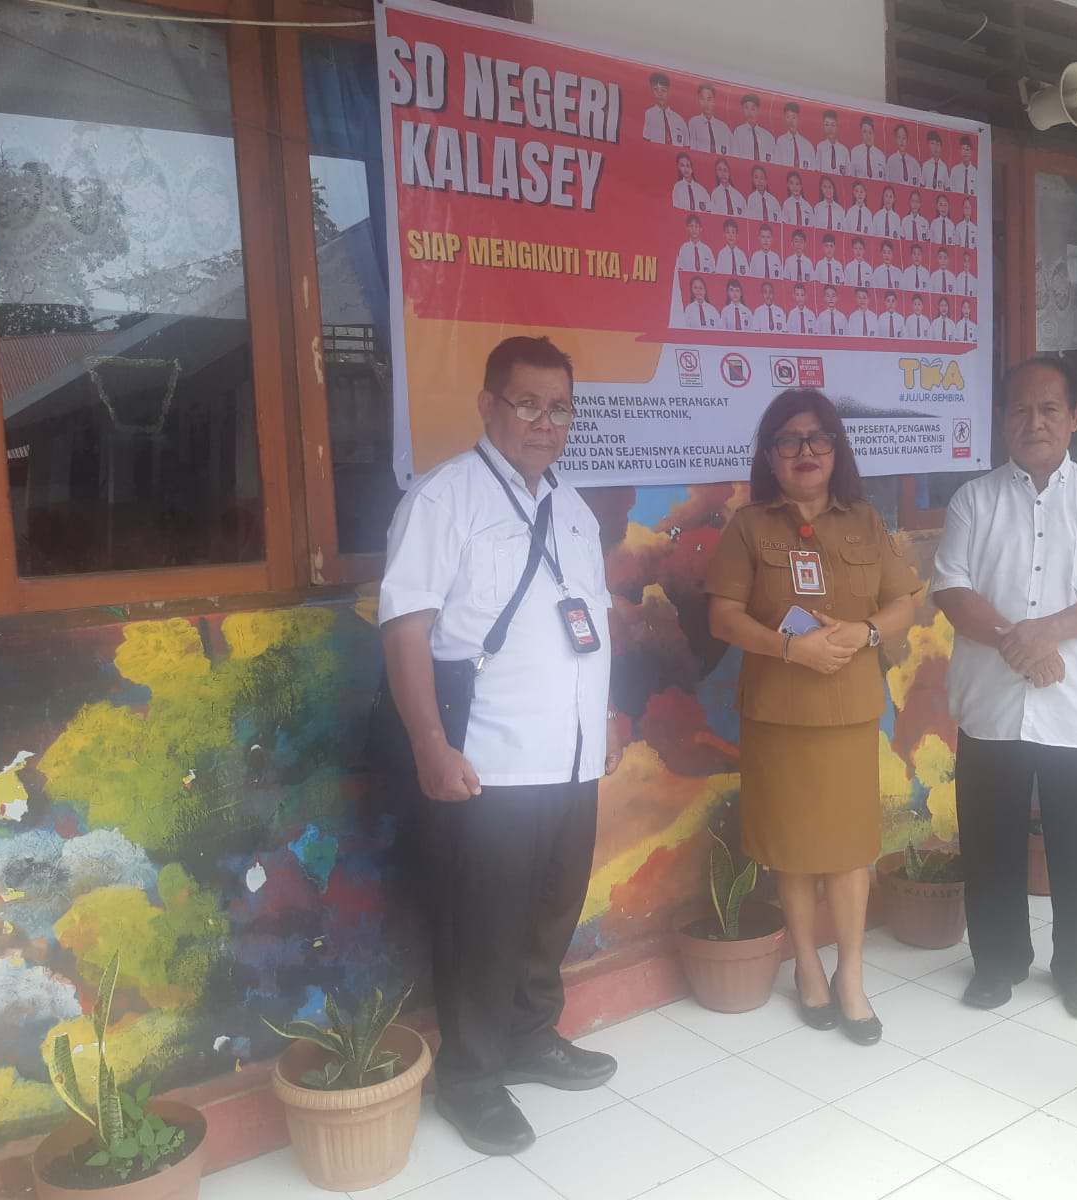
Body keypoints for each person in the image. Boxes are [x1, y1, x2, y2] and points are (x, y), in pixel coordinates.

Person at [380, 336, 621, 1156]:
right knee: (481, 926)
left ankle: (527, 1036)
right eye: (527, 404)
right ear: (488, 405)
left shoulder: (574, 507)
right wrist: (429, 745)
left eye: (559, 408)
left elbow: (590, 622)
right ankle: (471, 1078)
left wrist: (605, 715)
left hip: (571, 758)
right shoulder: (443, 500)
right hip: (488, 761)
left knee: (551, 910)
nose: (545, 422)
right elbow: (405, 629)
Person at [932, 357, 1077, 1021]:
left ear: (1074, 418)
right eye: (1020, 410)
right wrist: (1017, 645)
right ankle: (996, 962)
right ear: (1002, 421)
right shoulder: (973, 501)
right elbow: (951, 590)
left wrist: (1047, 633)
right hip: (992, 704)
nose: (1035, 422)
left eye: (1049, 409)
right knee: (990, 840)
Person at [707, 389, 920, 1044]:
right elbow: (722, 616)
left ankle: (851, 975)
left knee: (850, 851)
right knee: (794, 852)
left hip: (849, 713)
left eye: (818, 438)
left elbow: (905, 603)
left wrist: (864, 632)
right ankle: (806, 967)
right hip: (778, 716)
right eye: (788, 440)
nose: (805, 451)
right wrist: (787, 648)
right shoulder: (748, 527)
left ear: (836, 449)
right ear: (769, 454)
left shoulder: (866, 521)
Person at [642, 72, 688, 145]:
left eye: (663, 90)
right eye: (656, 89)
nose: (660, 94)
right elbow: (645, 140)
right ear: (651, 90)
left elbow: (686, 145)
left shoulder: (679, 120)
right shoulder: (649, 114)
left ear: (669, 91)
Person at [688, 82, 731, 154]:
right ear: (698, 101)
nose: (706, 103)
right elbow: (692, 149)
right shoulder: (694, 122)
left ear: (714, 101)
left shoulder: (723, 127)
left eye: (709, 99)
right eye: (702, 99)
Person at [732, 92, 776, 161]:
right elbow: (735, 156)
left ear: (758, 110)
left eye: (753, 109)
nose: (749, 112)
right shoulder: (738, 132)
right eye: (746, 108)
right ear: (742, 110)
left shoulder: (768, 136)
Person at [771, 100, 816, 168]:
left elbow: (813, 169)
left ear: (799, 118)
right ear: (784, 119)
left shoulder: (808, 145)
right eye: (788, 117)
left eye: (794, 117)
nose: (791, 121)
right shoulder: (780, 141)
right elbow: (776, 165)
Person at [850, 115, 886, 180]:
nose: (868, 136)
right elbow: (852, 176)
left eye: (870, 132)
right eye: (864, 132)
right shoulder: (855, 152)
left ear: (874, 133)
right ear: (861, 133)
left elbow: (885, 179)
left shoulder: (881, 155)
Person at [816, 108, 851, 174]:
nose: (830, 128)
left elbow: (848, 173)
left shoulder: (844, 150)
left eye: (833, 125)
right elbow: (817, 170)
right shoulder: (820, 147)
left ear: (837, 126)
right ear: (823, 126)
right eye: (827, 124)